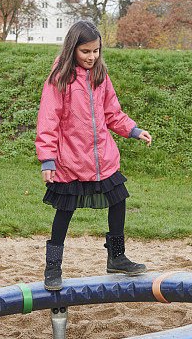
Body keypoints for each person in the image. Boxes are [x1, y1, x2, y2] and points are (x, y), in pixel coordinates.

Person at [36, 20, 152, 291]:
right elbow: (48, 120)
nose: (91, 57)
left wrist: (133, 130)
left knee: (119, 200)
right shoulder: (60, 79)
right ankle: (53, 267)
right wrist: (48, 159)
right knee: (64, 212)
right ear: (72, 49)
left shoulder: (100, 76)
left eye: (96, 51)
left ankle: (116, 256)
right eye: (85, 51)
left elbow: (112, 113)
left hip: (103, 158)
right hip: (71, 160)